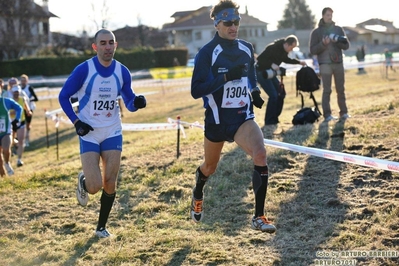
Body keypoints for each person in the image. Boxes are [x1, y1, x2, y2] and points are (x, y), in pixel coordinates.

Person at [190, 0, 276, 234]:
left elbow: (250, 74)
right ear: (217, 24)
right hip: (217, 121)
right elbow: (196, 89)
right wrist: (225, 78)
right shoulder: (207, 53)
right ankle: (198, 191)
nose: (233, 26)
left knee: (260, 153)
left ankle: (259, 217)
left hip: (241, 117)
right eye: (228, 22)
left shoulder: (246, 47)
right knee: (210, 167)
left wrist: (255, 91)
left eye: (237, 22)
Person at [58, 29, 147, 238]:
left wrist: (138, 103)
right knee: (95, 186)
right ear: (95, 47)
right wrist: (76, 122)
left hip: (112, 130)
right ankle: (84, 182)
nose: (108, 47)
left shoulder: (122, 72)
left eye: (111, 43)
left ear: (115, 45)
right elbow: (63, 97)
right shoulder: (84, 70)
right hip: (88, 132)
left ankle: (101, 227)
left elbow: (129, 102)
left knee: (110, 181)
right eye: (103, 43)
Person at [310, 7, 351, 122]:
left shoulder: (338, 29)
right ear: (323, 16)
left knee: (341, 89)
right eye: (328, 15)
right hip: (324, 64)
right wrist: (323, 44)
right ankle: (327, 115)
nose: (330, 17)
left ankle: (344, 113)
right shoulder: (316, 32)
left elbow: (346, 46)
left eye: (331, 15)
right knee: (327, 90)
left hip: (338, 62)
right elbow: (312, 50)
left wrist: (337, 41)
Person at [256, 35, 307, 126]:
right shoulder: (272, 47)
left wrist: (299, 62)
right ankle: (269, 121)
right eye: (291, 47)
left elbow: (287, 60)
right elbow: (260, 59)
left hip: (271, 74)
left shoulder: (284, 52)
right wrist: (271, 64)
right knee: (274, 95)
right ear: (287, 44)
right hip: (261, 73)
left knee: (281, 94)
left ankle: (275, 118)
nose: (291, 50)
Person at [0, 84, 23, 176]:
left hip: (5, 131)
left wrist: (16, 119)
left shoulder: (5, 102)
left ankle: (7, 163)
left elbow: (19, 108)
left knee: (6, 149)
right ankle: (3, 176)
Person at [9, 85, 31, 167]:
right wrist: (12, 112)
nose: (16, 94)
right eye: (15, 92)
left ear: (19, 92)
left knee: (21, 141)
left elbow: (27, 109)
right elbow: (7, 112)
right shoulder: (10, 101)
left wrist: (28, 112)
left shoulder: (22, 99)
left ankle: (19, 160)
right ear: (12, 93)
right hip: (11, 123)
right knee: (11, 142)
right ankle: (14, 145)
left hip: (21, 122)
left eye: (17, 92)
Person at [20, 74, 39, 147]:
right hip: (21, 108)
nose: (23, 82)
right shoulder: (19, 88)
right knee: (21, 125)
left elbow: (36, 98)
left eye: (24, 80)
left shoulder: (29, 88)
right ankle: (21, 140)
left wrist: (29, 100)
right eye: (22, 80)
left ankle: (27, 140)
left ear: (27, 81)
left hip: (29, 108)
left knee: (27, 125)